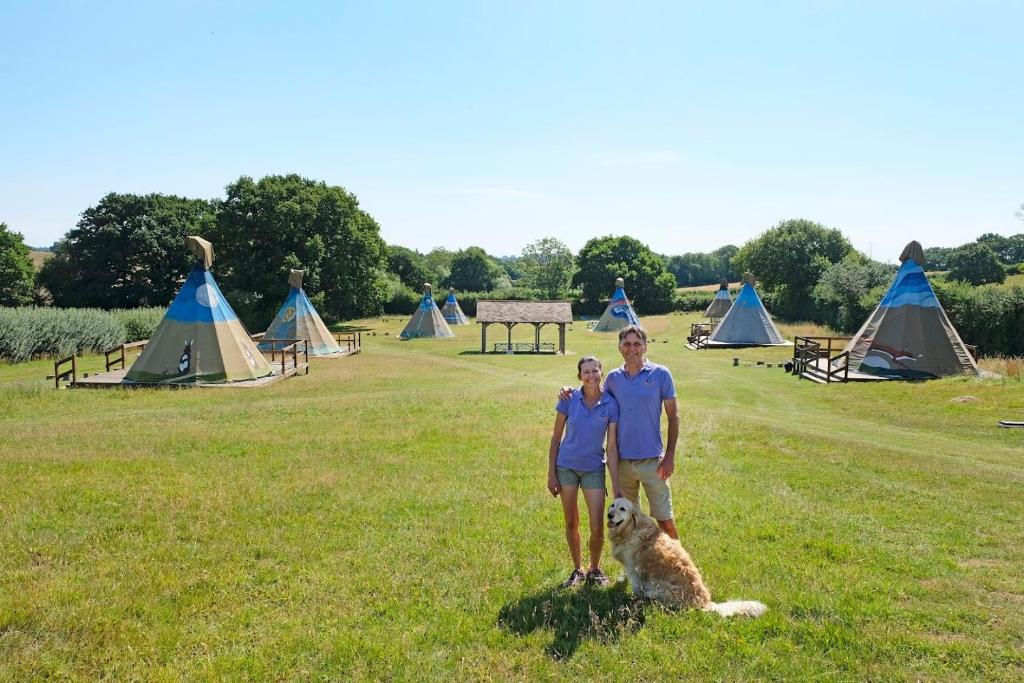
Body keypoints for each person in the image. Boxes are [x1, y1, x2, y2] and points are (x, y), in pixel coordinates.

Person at [561, 324, 680, 540]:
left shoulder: (661, 374)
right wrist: (567, 391)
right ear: (619, 347)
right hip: (623, 463)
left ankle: (679, 570)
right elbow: (593, 392)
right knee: (626, 524)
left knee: (664, 521)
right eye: (627, 344)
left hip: (653, 462)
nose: (632, 348)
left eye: (637, 344)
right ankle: (633, 572)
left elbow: (673, 417)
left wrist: (670, 456)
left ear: (645, 346)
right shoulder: (613, 378)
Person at [548, 355, 619, 588]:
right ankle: (577, 569)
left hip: (593, 469)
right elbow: (556, 438)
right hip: (566, 466)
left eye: (595, 371)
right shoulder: (568, 398)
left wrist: (615, 482)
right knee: (571, 522)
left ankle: (594, 568)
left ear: (601, 373)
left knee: (597, 525)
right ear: (580, 376)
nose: (591, 375)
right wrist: (551, 473)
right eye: (586, 372)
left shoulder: (610, 404)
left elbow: (611, 446)